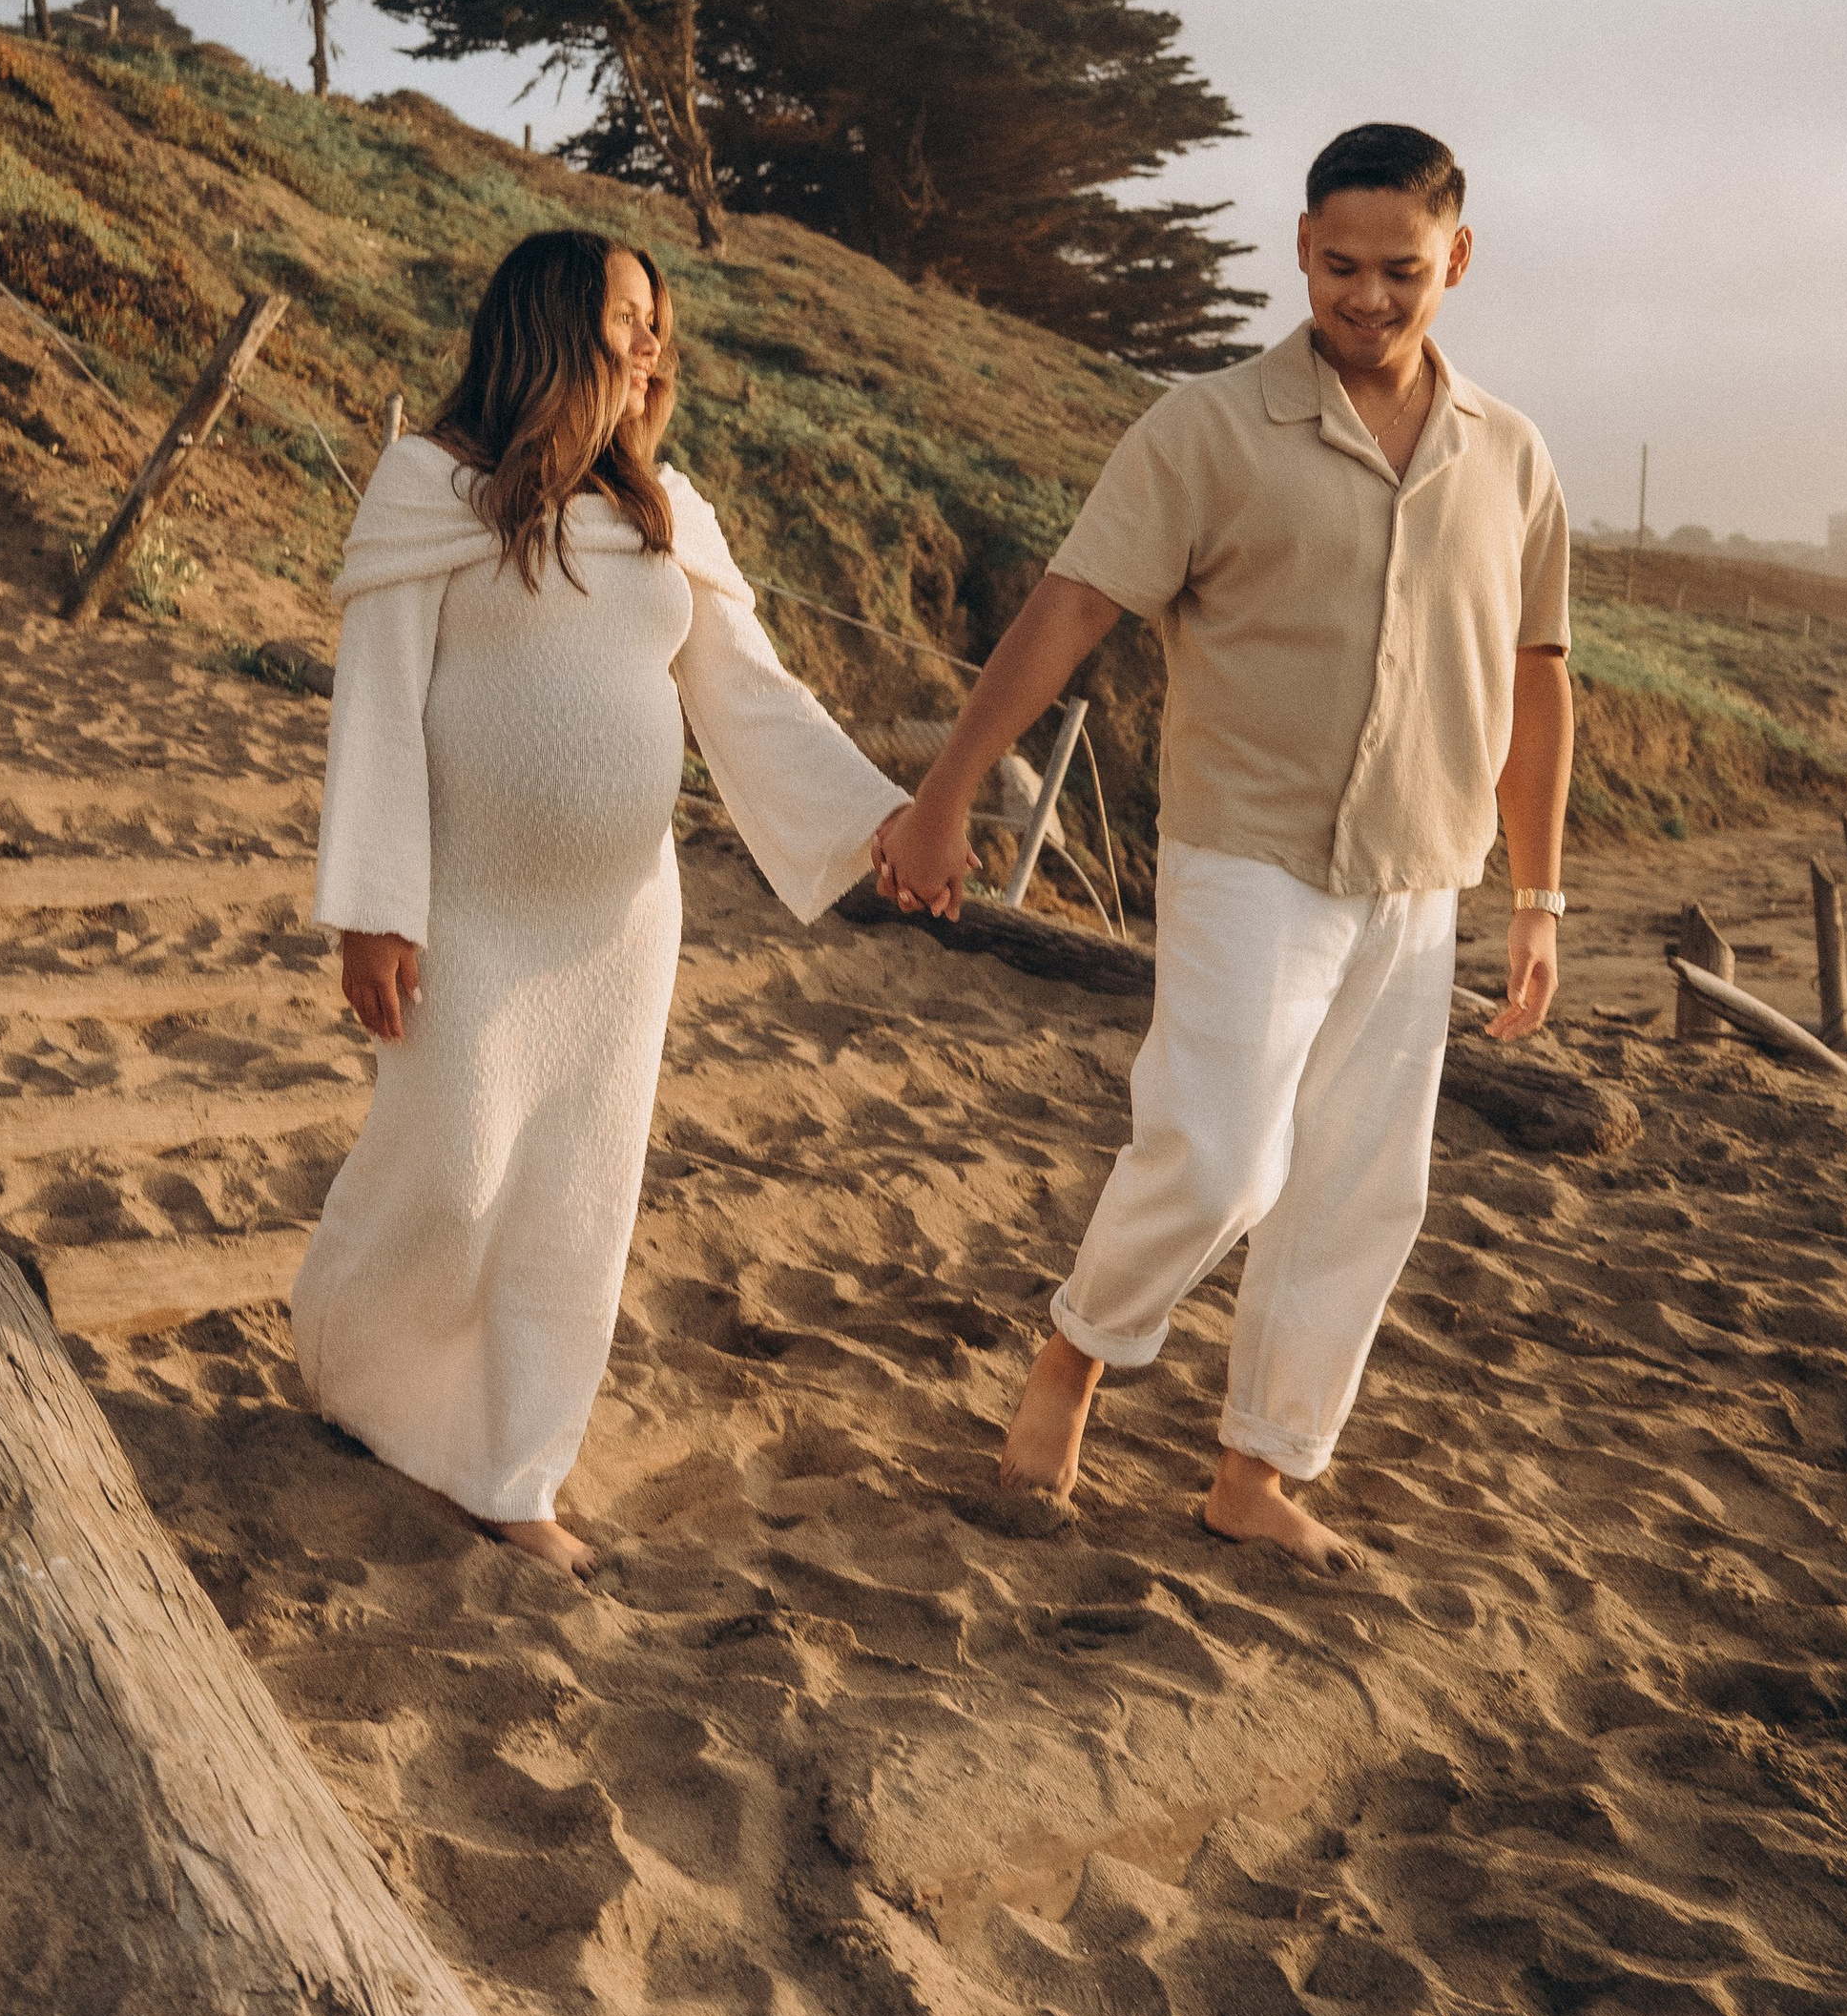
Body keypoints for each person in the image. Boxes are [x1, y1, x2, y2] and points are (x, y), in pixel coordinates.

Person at [875, 123, 1572, 1570]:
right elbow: (1072, 608)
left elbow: (1539, 673)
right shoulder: (1205, 430)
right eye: (1336, 266)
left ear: (1458, 257)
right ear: (1299, 247)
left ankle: (1258, 1470)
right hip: (1247, 850)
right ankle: (1078, 1354)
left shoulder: (1510, 457)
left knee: (1365, 1189)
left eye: (1398, 270)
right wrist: (946, 793)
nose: (1365, 298)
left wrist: (1540, 895)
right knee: (1220, 1159)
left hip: (1421, 869)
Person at [293, 228, 911, 1577]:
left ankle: (513, 1472)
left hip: (619, 928)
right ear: (551, 329)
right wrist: (373, 908)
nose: (651, 345)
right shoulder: (430, 491)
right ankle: (351, 1363)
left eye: (657, 323)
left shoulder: (667, 515)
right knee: (450, 1174)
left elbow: (752, 697)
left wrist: (885, 822)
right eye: (628, 318)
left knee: (576, 1197)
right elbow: (379, 715)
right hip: (465, 912)